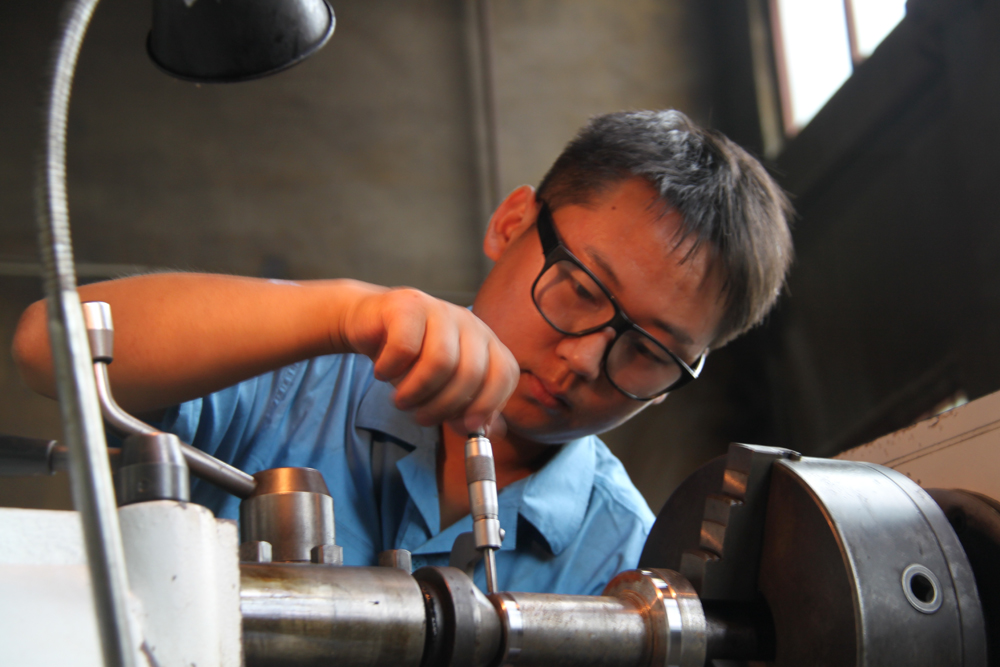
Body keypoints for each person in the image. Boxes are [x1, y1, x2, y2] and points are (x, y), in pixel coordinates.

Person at [13, 110, 792, 595]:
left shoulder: (622, 562)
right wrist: (345, 312)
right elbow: (46, 346)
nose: (586, 359)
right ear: (512, 224)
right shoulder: (298, 369)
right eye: (582, 288)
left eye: (649, 350)